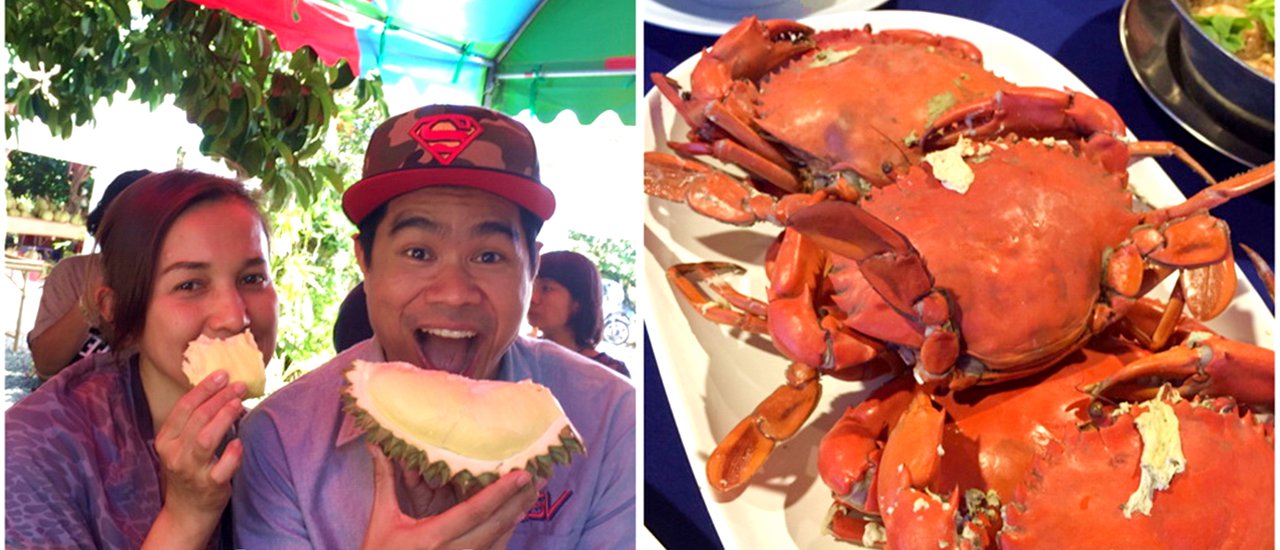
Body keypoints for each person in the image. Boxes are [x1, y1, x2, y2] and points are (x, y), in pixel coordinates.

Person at [233, 104, 636, 549]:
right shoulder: (279, 441)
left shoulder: (612, 417)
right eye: (418, 253)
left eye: (488, 256)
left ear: (532, 267)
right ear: (364, 260)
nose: (454, 293)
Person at [6, 170, 277, 549]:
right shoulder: (34, 453)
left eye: (252, 278)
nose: (235, 316)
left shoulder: (270, 445)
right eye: (189, 285)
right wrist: (187, 517)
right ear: (118, 312)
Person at [27, 169, 152, 379]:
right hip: (63, 405)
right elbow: (45, 366)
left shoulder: (169, 285)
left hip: (129, 409)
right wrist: (89, 305)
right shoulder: (72, 274)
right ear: (103, 222)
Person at [528, 250, 630, 377]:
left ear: (578, 302)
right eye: (531, 286)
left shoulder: (609, 373)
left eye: (546, 288)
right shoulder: (521, 355)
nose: (533, 298)